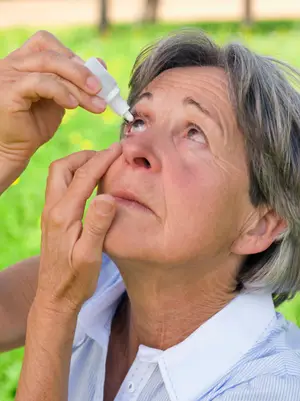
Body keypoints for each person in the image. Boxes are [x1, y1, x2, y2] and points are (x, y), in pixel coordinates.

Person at [1, 28, 300, 401]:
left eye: (194, 133)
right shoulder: (102, 280)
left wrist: (55, 306)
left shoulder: (274, 388)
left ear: (261, 224)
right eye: (138, 121)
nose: (137, 148)